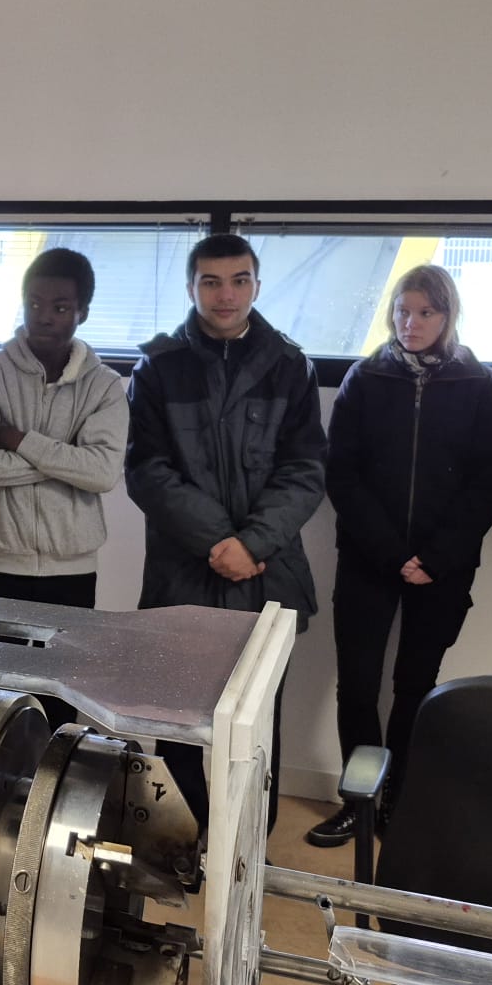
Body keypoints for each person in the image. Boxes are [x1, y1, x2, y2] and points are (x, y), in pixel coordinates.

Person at [308, 264, 492, 848]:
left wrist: (434, 557)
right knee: (357, 684)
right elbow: (342, 474)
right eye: (402, 310)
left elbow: (490, 481)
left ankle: (398, 798)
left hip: (443, 567)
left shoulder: (478, 381)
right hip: (369, 559)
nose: (411, 322)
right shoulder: (365, 376)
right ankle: (358, 801)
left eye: (426, 312)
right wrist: (393, 554)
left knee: (416, 686)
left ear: (447, 315)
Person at [126, 232, 326, 819]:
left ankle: (249, 847)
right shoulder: (160, 367)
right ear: (191, 287)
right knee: (177, 721)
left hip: (267, 575)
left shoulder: (290, 365)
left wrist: (252, 544)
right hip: (183, 576)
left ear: (257, 286)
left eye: (239, 281)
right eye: (211, 282)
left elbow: (305, 470)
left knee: (257, 725)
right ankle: (177, 843)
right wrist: (218, 542)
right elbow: (147, 471)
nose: (226, 295)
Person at [0, 249, 127, 609]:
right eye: (34, 304)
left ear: (83, 313)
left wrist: (19, 440)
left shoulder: (105, 386)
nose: (44, 317)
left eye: (60, 308)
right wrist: (70, 461)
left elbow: (102, 474)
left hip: (74, 569)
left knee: (68, 652)